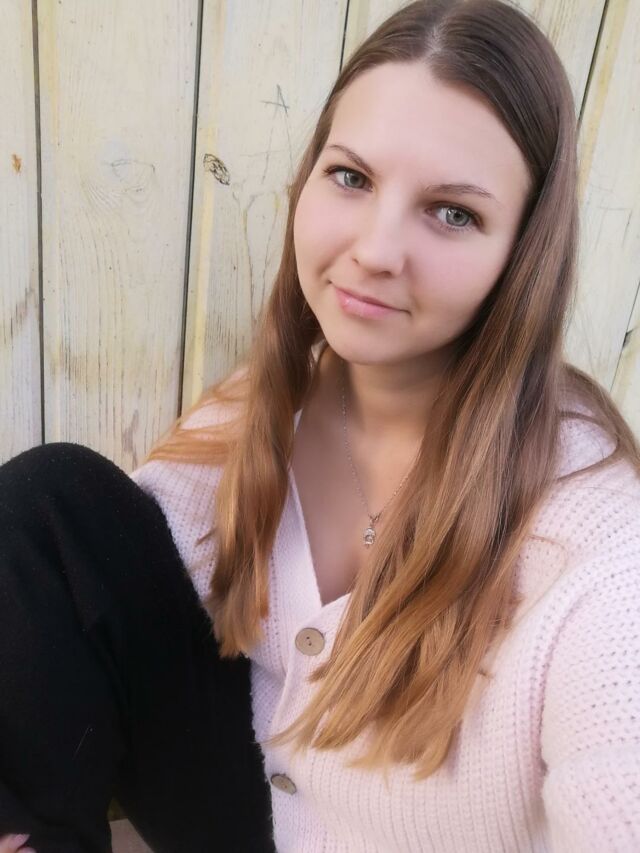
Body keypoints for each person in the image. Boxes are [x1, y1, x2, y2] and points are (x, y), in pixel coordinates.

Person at [2, 0, 639, 850]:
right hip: (249, 810)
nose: (375, 249)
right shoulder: (271, 400)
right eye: (352, 177)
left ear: (522, 254)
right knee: (50, 503)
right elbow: (111, 590)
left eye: (453, 212)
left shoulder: (600, 547)